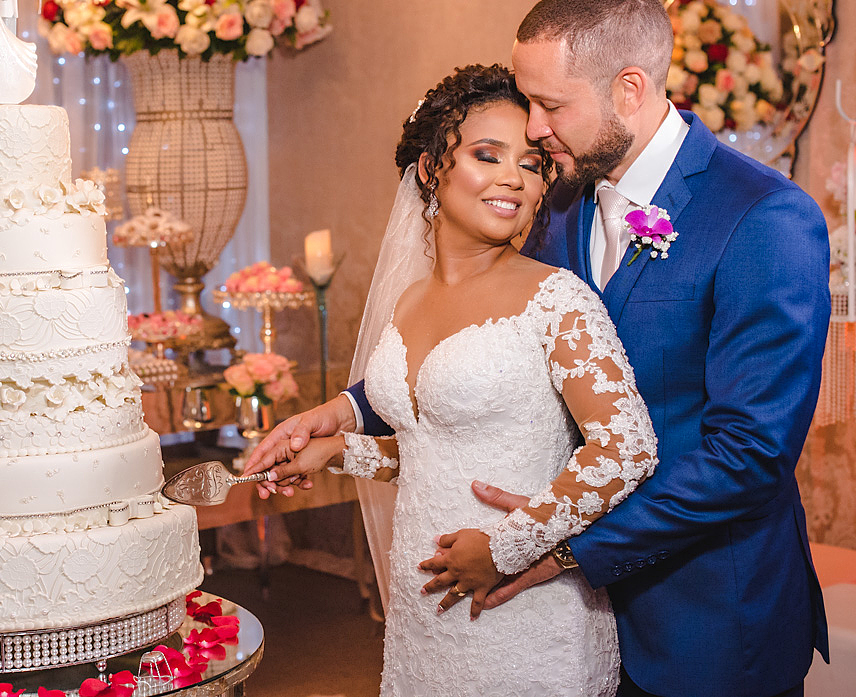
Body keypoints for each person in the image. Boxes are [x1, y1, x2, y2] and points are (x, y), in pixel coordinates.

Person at [247, 0, 831, 697]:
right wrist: (345, 411)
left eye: (549, 105)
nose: (534, 128)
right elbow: (493, 345)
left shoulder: (765, 217)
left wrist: (555, 553)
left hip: (703, 616)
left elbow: (748, 456)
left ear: (628, 89)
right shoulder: (560, 200)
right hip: (560, 612)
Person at [255, 62, 659, 696]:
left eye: (530, 163)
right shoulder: (408, 302)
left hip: (522, 608)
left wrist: (507, 547)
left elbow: (627, 448)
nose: (513, 179)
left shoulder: (556, 299)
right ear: (430, 170)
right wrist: (336, 451)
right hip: (423, 612)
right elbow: (435, 452)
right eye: (486, 154)